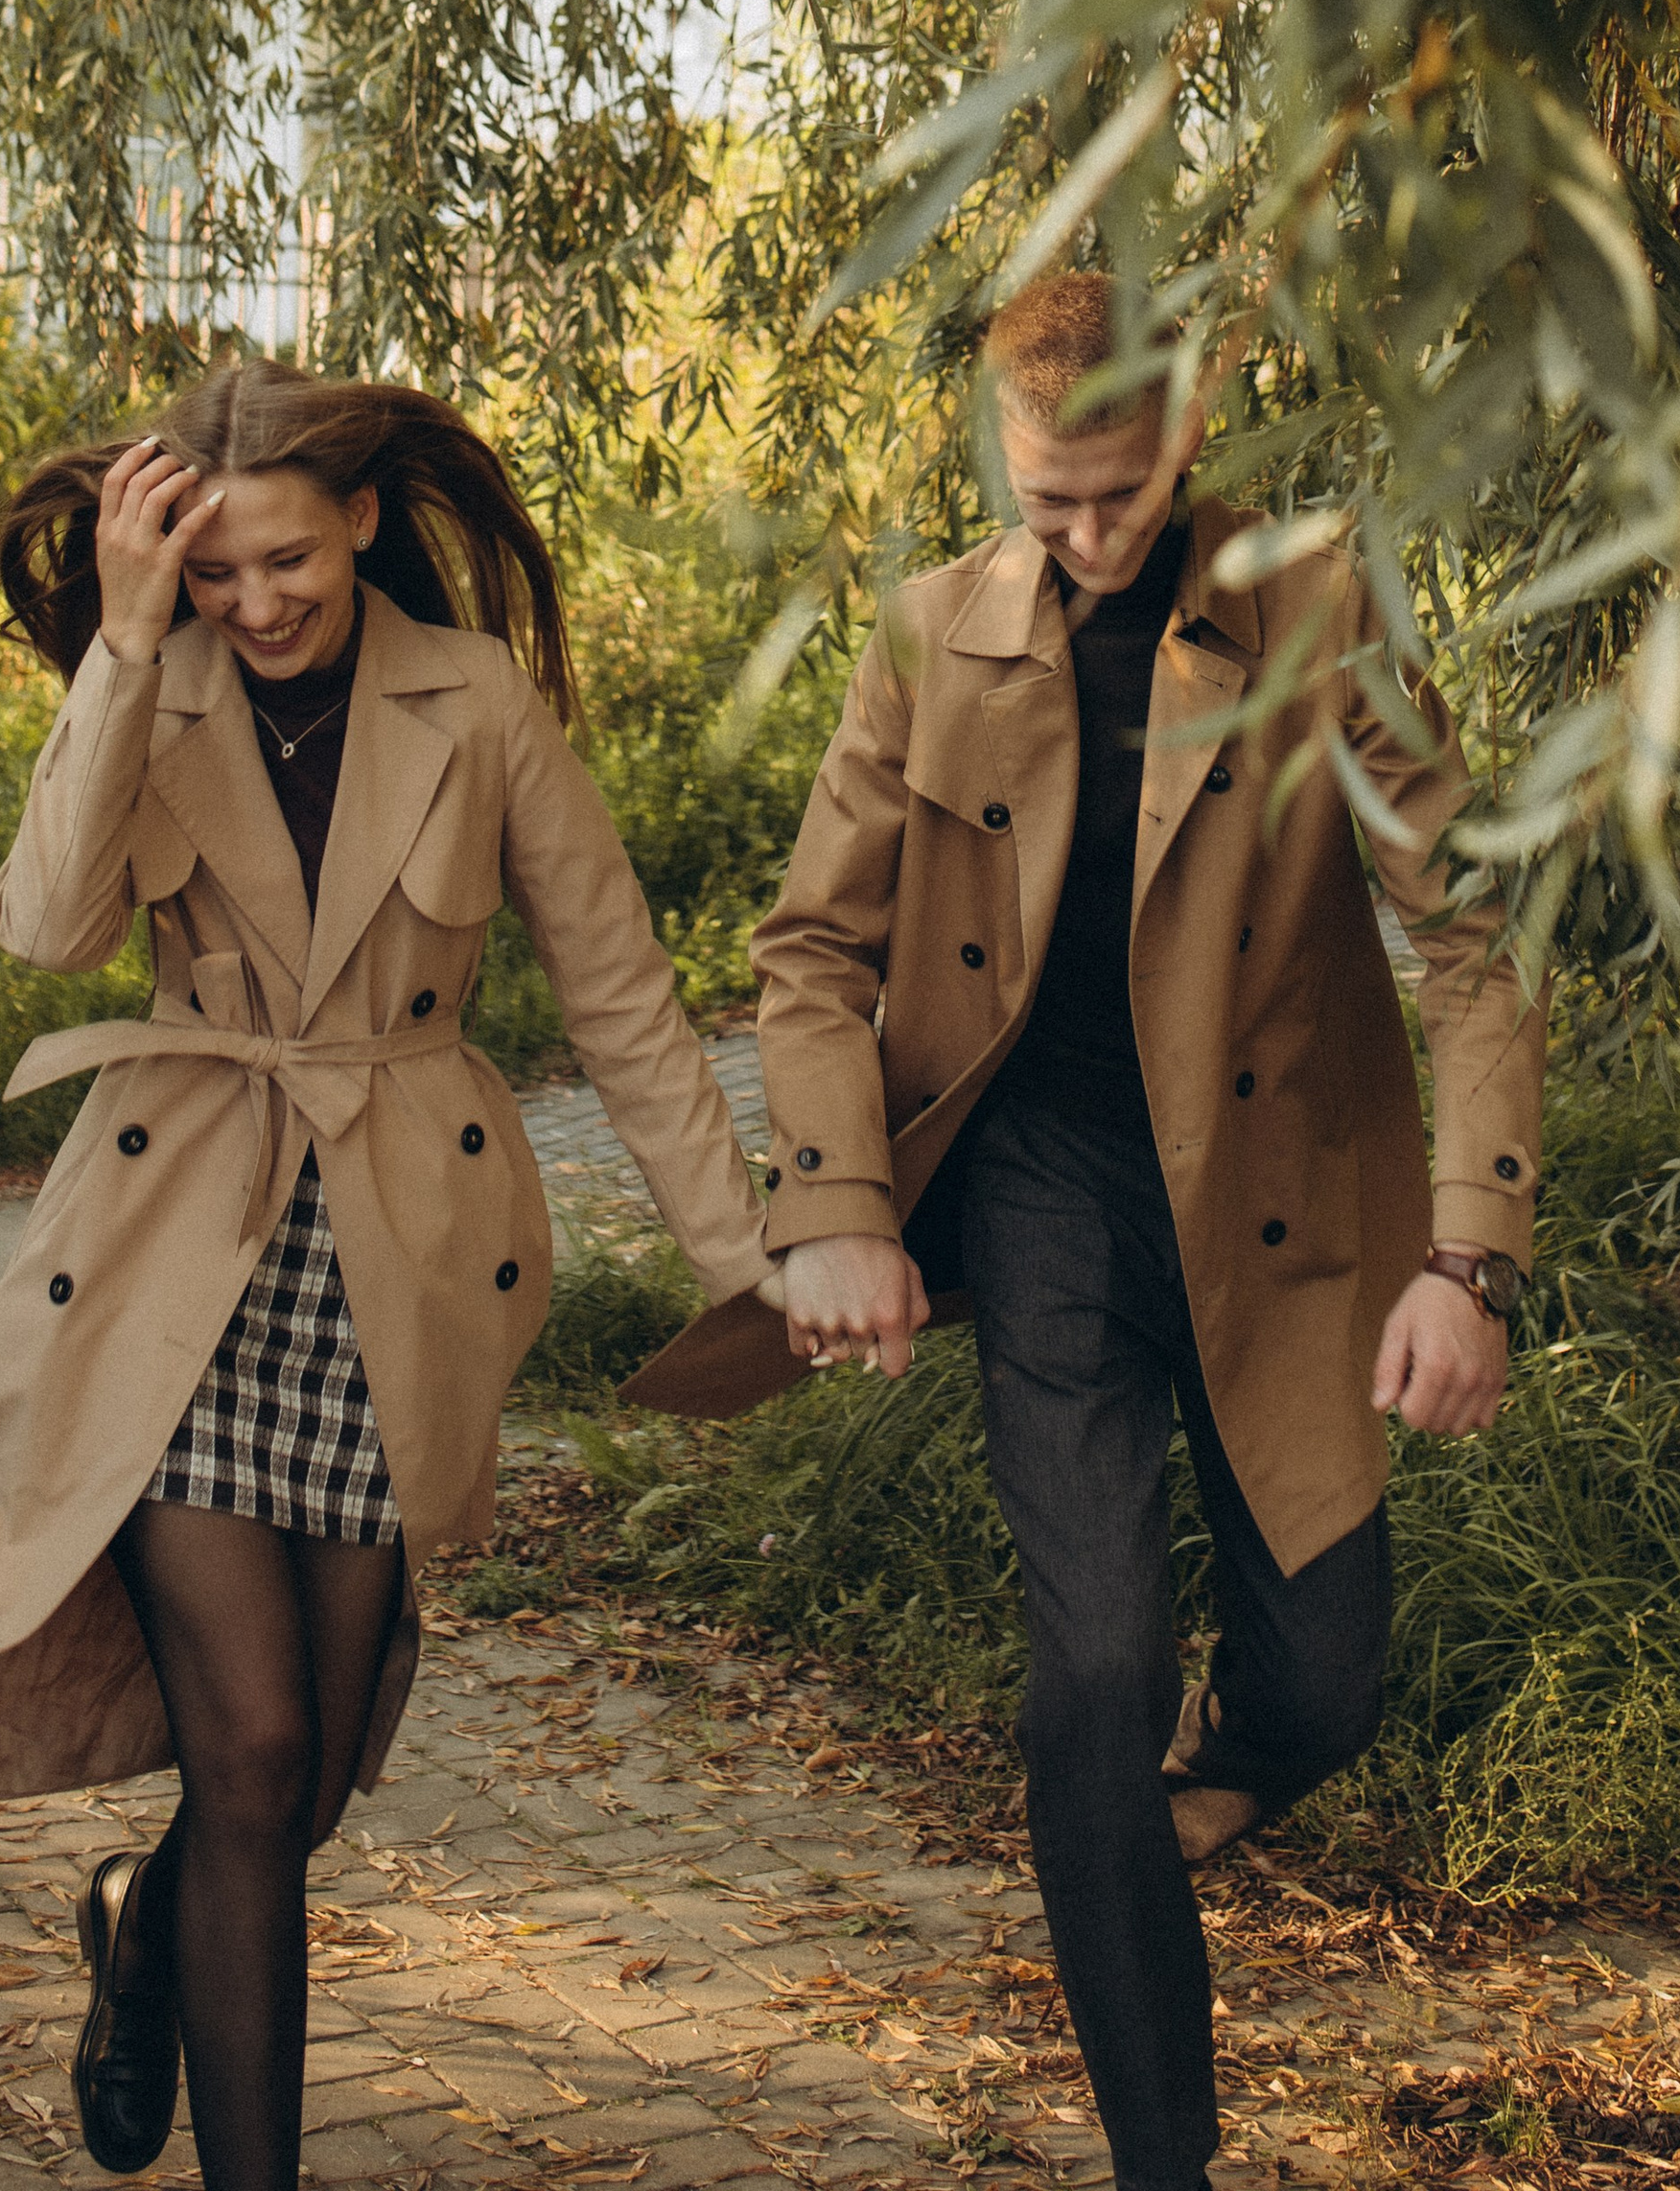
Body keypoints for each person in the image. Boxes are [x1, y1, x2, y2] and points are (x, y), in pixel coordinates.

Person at [0, 359, 776, 2188]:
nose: (258, 602)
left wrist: (745, 1260)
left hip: (399, 1256)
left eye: (285, 560)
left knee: (294, 1785)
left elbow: (621, 992)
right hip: (174, 1262)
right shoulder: (159, 677)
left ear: (362, 520)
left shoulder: (478, 702)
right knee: (260, 1739)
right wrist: (127, 644)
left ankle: (145, 1931)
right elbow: (47, 926)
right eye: (216, 572)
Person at [629, 273, 1542, 2191]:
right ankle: (1162, 2159)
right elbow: (809, 951)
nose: (1082, 535)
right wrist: (836, 1209)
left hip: (1278, 1202)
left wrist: (1466, 1257)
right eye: (1044, 498)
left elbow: (1470, 938)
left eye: (1114, 495)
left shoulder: (1311, 603)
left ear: (1191, 425)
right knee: (1092, 1674)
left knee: (1321, 1682)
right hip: (1046, 1198)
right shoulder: (927, 635)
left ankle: (1168, 1801)